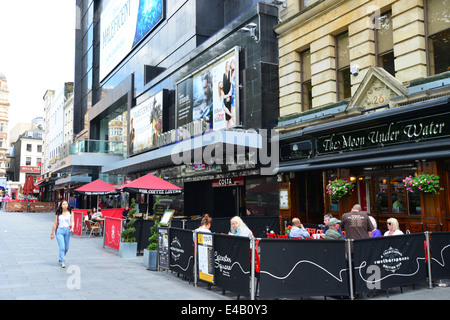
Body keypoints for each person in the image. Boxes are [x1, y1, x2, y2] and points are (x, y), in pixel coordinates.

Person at [50, 200, 74, 268]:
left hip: (67, 231)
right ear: (61, 205)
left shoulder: (70, 212)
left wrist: (72, 228)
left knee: (66, 248)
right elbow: (55, 223)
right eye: (63, 204)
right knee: (62, 247)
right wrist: (52, 233)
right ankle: (62, 261)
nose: (65, 205)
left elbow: (72, 221)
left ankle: (61, 257)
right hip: (60, 230)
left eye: (66, 204)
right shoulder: (58, 213)